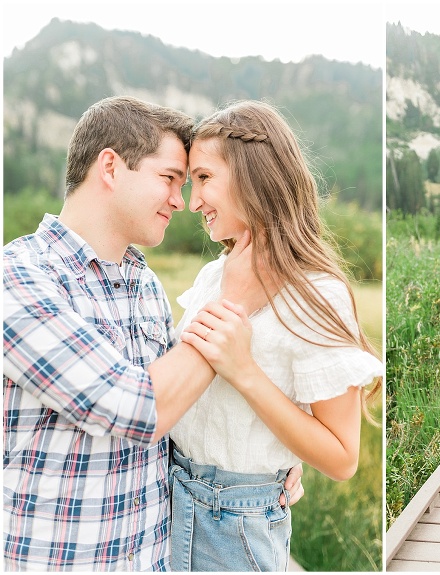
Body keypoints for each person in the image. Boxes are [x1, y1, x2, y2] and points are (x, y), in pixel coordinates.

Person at [3, 96, 303, 571]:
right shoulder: (18, 279)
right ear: (110, 167)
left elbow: (183, 409)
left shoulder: (144, 284)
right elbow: (137, 406)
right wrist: (235, 303)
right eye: (169, 179)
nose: (180, 202)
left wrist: (261, 462)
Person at [165, 100, 383, 572]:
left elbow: (343, 458)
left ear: (249, 175)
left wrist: (246, 373)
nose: (193, 200)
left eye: (203, 178)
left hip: (235, 526)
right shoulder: (212, 277)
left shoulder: (317, 295)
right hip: (167, 501)